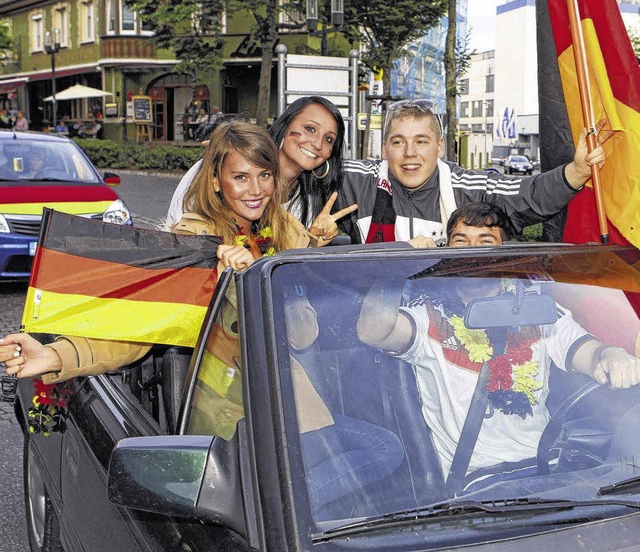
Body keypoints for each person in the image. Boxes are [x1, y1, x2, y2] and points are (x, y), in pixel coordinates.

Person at [0, 121, 402, 512]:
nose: (256, 189)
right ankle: (269, 508)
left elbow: (303, 275)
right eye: (240, 177)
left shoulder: (275, 224)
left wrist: (317, 240)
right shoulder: (194, 240)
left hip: (284, 400)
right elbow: (140, 327)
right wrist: (55, 357)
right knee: (376, 456)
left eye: (264, 175)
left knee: (385, 448)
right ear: (215, 180)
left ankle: (280, 507)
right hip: (233, 413)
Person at [355, 201, 640, 477]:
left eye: (485, 240)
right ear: (446, 250)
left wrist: (611, 356)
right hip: (479, 482)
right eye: (461, 242)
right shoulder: (429, 315)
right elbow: (374, 331)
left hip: (549, 467)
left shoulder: (538, 310)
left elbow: (589, 354)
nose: (473, 252)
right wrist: (397, 265)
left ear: (504, 252)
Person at [337, 99, 609, 245]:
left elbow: (528, 194)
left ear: (440, 147)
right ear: (385, 149)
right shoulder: (356, 180)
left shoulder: (466, 187)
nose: (410, 153)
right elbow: (311, 168)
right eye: (398, 142)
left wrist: (577, 171)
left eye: (421, 141)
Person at [167, 96, 353, 234]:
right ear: (285, 126)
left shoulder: (309, 201)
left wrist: (310, 243)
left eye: (329, 139)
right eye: (310, 129)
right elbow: (177, 236)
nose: (318, 144)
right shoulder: (215, 167)